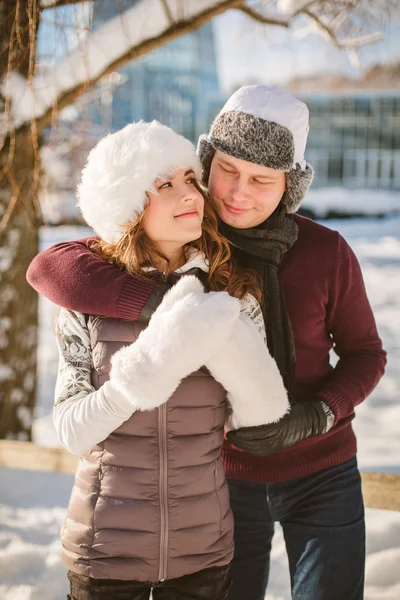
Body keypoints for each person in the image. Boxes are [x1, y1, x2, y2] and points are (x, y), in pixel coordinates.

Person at [27, 87, 386, 600]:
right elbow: (52, 266)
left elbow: (366, 354)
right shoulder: (189, 238)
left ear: (290, 185)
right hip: (223, 478)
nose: (239, 193)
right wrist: (158, 301)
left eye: (262, 180)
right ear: (207, 161)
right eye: (227, 170)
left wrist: (319, 413)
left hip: (320, 471)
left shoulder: (327, 252)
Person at [46, 120, 289, 600]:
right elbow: (72, 430)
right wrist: (147, 368)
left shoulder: (233, 294)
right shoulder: (83, 300)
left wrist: (211, 324)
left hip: (202, 554)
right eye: (166, 185)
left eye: (191, 179)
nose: (192, 194)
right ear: (129, 206)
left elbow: (258, 417)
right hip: (104, 553)